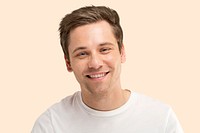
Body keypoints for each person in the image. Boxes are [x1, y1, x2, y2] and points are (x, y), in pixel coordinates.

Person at [31, 6, 184, 133]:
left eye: (104, 49)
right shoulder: (50, 125)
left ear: (122, 52)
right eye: (82, 54)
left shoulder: (161, 120)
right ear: (68, 63)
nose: (95, 63)